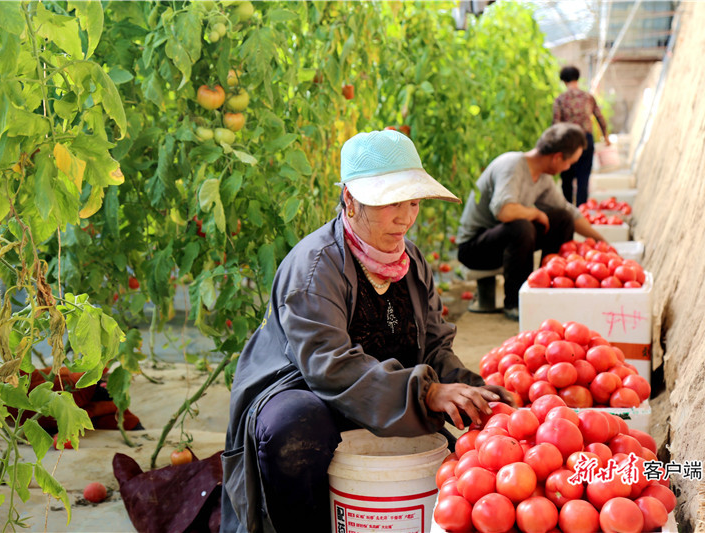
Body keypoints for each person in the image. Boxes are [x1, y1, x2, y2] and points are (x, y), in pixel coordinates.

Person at [220, 130, 513, 533]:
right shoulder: (314, 268)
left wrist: (473, 391)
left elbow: (434, 347)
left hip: (383, 398)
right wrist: (425, 392)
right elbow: (328, 366)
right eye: (390, 202)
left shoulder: (411, 262)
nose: (405, 217)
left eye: (412, 202)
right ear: (350, 200)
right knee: (294, 428)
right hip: (306, 392)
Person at [456, 123, 607, 321]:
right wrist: (535, 213)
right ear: (557, 157)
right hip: (475, 249)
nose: (568, 168)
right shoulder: (513, 166)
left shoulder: (543, 177)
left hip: (503, 240)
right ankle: (515, 304)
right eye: (569, 162)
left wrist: (601, 242)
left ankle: (551, 287)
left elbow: (569, 211)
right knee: (521, 226)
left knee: (563, 218)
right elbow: (504, 211)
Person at [553, 65, 611, 206]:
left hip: (568, 142)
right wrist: (606, 137)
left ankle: (568, 210)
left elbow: (556, 124)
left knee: (566, 179)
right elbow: (599, 118)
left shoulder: (560, 100)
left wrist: (555, 146)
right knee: (583, 178)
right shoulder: (588, 97)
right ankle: (582, 212)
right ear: (577, 78)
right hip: (585, 140)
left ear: (564, 81)